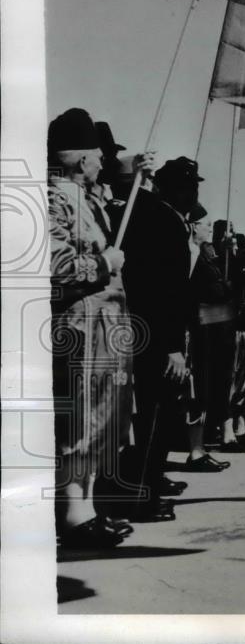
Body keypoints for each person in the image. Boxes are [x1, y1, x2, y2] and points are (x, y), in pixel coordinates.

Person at [48, 108, 134, 548]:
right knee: (80, 419)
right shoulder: (55, 199)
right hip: (80, 328)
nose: (103, 161)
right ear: (82, 161)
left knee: (102, 417)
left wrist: (136, 171)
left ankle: (89, 507)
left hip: (103, 327)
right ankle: (74, 514)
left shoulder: (84, 197)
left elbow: (113, 188)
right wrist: (104, 263)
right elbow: (54, 266)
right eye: (98, 155)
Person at [120, 156, 208, 521]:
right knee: (154, 418)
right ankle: (144, 497)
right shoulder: (163, 221)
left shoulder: (164, 217)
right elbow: (165, 292)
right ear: (174, 189)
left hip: (151, 333)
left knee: (158, 417)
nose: (194, 193)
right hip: (157, 337)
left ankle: (149, 487)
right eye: (189, 187)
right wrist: (173, 345)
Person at [186, 204, 238, 464]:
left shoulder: (209, 254)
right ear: (195, 227)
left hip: (215, 329)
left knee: (211, 385)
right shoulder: (191, 253)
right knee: (197, 388)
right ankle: (195, 448)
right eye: (205, 224)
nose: (208, 228)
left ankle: (201, 445)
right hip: (197, 328)